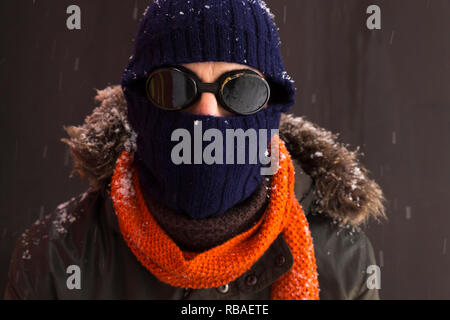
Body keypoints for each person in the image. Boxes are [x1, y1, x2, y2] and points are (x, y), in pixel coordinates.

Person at [4, 0, 386, 300]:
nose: (206, 115)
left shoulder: (341, 263)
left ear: (272, 109)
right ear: (138, 104)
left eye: (240, 89)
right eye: (174, 86)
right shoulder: (54, 259)